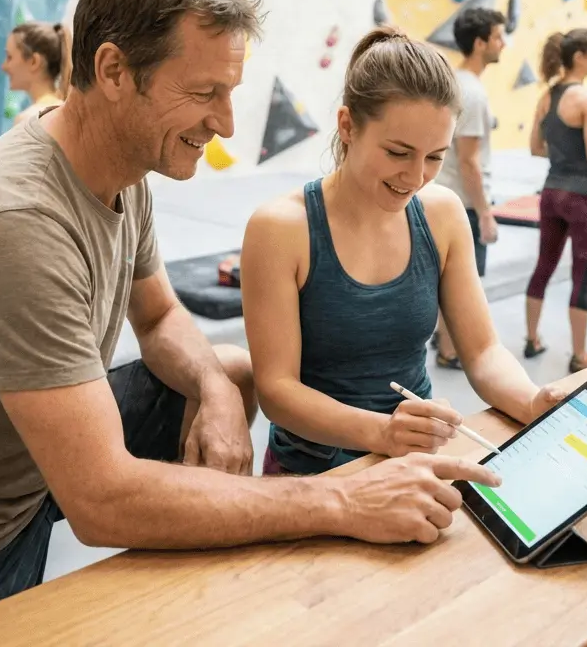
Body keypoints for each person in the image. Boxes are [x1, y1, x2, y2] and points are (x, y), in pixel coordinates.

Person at [0, 0, 501, 645]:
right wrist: (340, 497)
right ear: (113, 71)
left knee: (232, 369)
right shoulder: (15, 224)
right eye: (203, 93)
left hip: (32, 458)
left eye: (230, 93)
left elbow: (158, 315)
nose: (223, 123)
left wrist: (217, 392)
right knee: (148, 473)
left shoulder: (122, 169)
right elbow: (97, 501)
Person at [241, 27, 564, 477]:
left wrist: (531, 401)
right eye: (399, 152)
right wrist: (381, 432)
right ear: (348, 126)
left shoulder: (443, 215)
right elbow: (277, 390)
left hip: (412, 464)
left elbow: (483, 351)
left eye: (435, 157)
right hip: (314, 476)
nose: (416, 177)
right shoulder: (281, 229)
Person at [525, 30, 587, 372]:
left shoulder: (547, 97)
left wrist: (565, 153)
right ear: (580, 56)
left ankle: (531, 338)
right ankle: (580, 356)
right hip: (584, 198)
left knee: (544, 265)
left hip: (552, 193)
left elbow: (536, 148)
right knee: (583, 276)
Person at [431, 7, 503, 369]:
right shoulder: (472, 94)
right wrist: (485, 212)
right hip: (464, 201)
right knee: (460, 281)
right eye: (498, 36)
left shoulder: (457, 83)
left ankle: (442, 338)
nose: (503, 43)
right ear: (480, 43)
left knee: (447, 276)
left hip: (449, 195)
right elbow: (470, 159)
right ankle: (449, 349)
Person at [2, 21, 71, 125]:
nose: (4, 67)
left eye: (9, 57)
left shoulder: (29, 120)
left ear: (34, 62)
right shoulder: (64, 110)